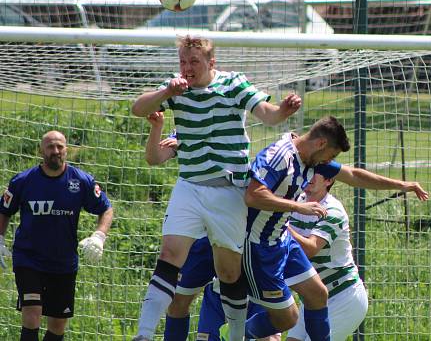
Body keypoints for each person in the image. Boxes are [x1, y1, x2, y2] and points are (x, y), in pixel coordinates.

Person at [130, 35, 302, 341]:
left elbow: (267, 114)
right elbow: (137, 109)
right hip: (190, 187)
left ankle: (236, 335)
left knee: (229, 273)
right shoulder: (175, 87)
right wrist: (166, 91)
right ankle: (143, 335)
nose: (187, 67)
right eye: (183, 61)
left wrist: (283, 110)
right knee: (169, 253)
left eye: (194, 61)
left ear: (212, 63)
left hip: (229, 191)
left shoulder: (233, 84)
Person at [236, 115, 429, 341]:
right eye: (333, 155)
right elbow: (252, 195)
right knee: (288, 317)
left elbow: (354, 175)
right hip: (261, 244)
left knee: (317, 294)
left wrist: (403, 185)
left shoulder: (317, 170)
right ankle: (238, 334)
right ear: (321, 144)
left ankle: (241, 332)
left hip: (326, 280)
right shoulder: (282, 156)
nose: (331, 162)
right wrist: (296, 207)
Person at [0, 130, 114, 341]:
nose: (55, 151)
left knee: (58, 325)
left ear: (66, 150)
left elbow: (106, 209)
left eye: (60, 146)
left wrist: (99, 235)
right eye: (50, 146)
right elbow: (4, 210)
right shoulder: (23, 181)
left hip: (63, 262)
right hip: (28, 259)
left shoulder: (81, 181)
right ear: (41, 150)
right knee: (32, 316)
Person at [284, 172, 368, 341]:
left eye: (316, 174)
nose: (309, 176)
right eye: (308, 171)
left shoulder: (332, 210)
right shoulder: (296, 202)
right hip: (312, 299)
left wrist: (280, 224)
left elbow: (310, 249)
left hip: (343, 298)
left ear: (329, 180)